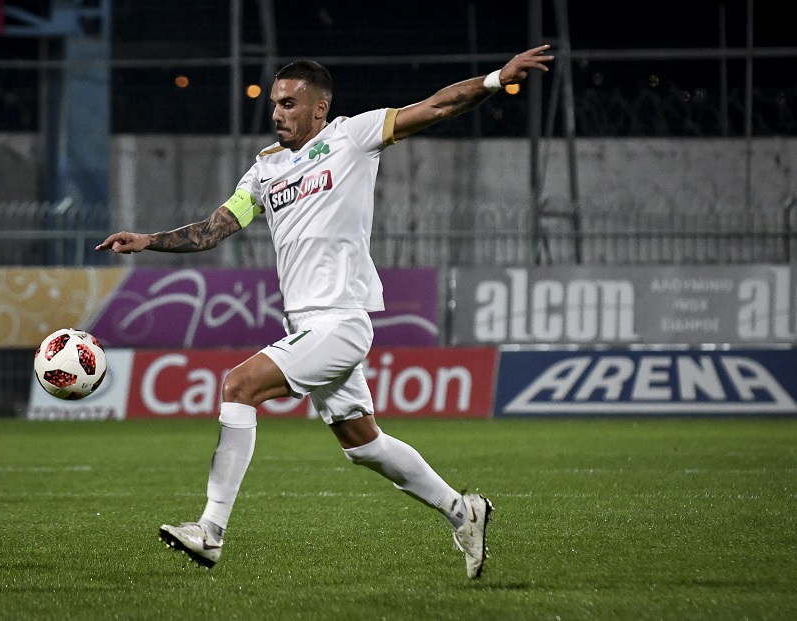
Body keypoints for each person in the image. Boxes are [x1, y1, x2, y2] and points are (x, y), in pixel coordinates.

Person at [97, 45, 553, 579]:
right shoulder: (264, 169)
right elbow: (213, 230)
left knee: (239, 386)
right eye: (274, 103)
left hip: (340, 321)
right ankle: (463, 510)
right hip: (304, 325)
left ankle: (211, 531)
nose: (277, 113)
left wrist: (498, 78)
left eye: (289, 104)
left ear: (319, 108)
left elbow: (436, 106)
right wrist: (148, 240)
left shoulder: (352, 137)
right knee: (364, 445)